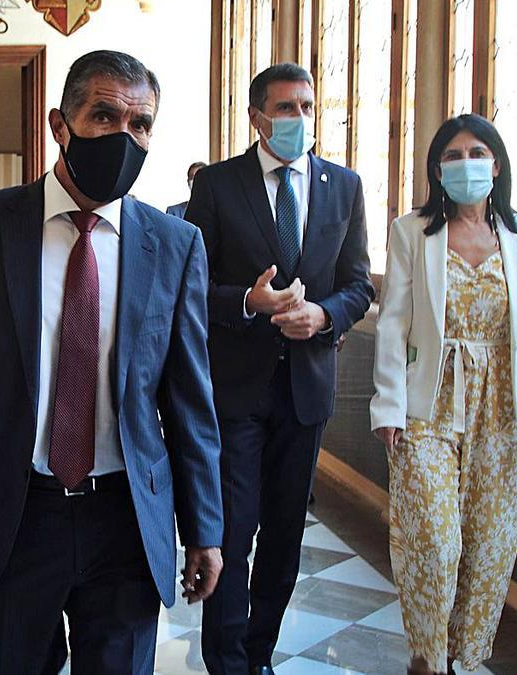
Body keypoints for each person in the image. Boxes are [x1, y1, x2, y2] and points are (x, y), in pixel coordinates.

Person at [0, 50, 225, 675]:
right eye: (104, 116)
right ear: (60, 124)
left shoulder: (174, 245)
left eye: (141, 125)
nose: (124, 138)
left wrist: (206, 528)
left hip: (125, 515)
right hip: (13, 509)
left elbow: (190, 401)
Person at [186, 62, 374, 675]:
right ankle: (225, 660)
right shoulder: (218, 184)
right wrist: (248, 301)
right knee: (233, 533)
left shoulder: (343, 185)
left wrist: (323, 316)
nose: (299, 119)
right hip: (237, 387)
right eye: (286, 108)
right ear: (256, 117)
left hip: (306, 388)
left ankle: (258, 654)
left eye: (307, 107)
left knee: (285, 536)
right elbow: (192, 284)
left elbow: (357, 285)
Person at [370, 114, 517, 675]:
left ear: (497, 164)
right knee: (434, 541)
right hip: (427, 402)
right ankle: (427, 654)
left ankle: (459, 654)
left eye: (476, 152)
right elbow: (394, 323)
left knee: (488, 542)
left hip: (499, 408)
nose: (465, 164)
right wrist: (387, 403)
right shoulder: (412, 231)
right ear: (437, 169)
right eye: (452, 156)